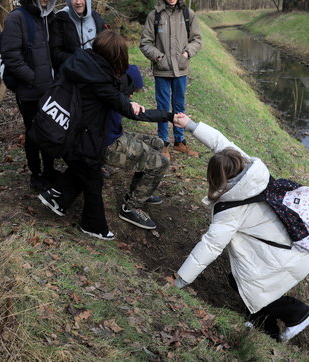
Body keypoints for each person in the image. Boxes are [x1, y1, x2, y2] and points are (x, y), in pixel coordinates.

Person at [172, 114, 309, 342]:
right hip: (295, 243)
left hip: (289, 254)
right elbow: (220, 143)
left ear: (216, 178)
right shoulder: (248, 168)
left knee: (246, 282)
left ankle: (298, 314)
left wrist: (180, 281)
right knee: (240, 278)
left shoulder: (232, 208)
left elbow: (211, 246)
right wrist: (190, 125)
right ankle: (264, 326)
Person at [38, 30, 172, 240]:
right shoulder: (103, 84)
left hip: (80, 133)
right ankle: (129, 209)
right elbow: (132, 112)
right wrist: (170, 116)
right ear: (116, 59)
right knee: (156, 164)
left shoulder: (82, 65)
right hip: (99, 139)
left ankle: (59, 197)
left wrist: (126, 100)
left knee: (154, 143)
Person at [0, 0, 57, 192]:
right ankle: (36, 174)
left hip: (50, 89)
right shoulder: (17, 18)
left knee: (49, 131)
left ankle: (50, 170)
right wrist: (32, 79)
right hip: (30, 91)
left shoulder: (49, 17)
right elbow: (11, 56)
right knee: (33, 135)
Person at [104, 65, 169, 230]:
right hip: (108, 144)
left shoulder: (118, 95)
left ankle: (138, 192)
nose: (132, 95)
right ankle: (130, 207)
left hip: (116, 135)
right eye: (132, 90)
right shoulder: (111, 95)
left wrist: (170, 116)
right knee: (161, 163)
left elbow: (140, 114)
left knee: (157, 143)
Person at [140, 0, 202, 159]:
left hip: (181, 69)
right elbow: (145, 43)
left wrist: (187, 54)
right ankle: (163, 143)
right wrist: (159, 57)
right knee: (163, 107)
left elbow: (196, 39)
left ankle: (179, 141)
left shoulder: (188, 14)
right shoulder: (154, 15)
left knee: (179, 105)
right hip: (162, 71)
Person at [49, 0, 106, 73]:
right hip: (71, 75)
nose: (78, 2)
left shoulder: (96, 18)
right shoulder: (60, 20)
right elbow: (55, 53)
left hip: (96, 71)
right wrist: (80, 61)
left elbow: (105, 47)